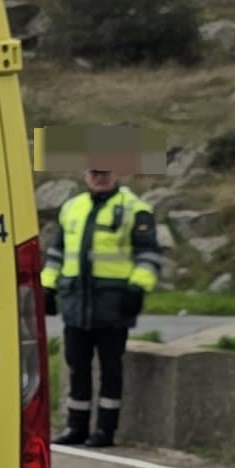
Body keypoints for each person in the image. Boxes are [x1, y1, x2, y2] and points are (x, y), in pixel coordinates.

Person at [39, 158, 163, 446]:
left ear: (115, 173)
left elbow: (149, 255)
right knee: (77, 366)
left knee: (110, 368)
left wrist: (138, 288)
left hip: (113, 303)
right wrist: (47, 287)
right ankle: (76, 427)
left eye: (105, 173)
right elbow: (57, 254)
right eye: (94, 173)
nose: (100, 178)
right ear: (85, 175)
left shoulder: (135, 209)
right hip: (75, 303)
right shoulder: (72, 208)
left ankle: (106, 430)